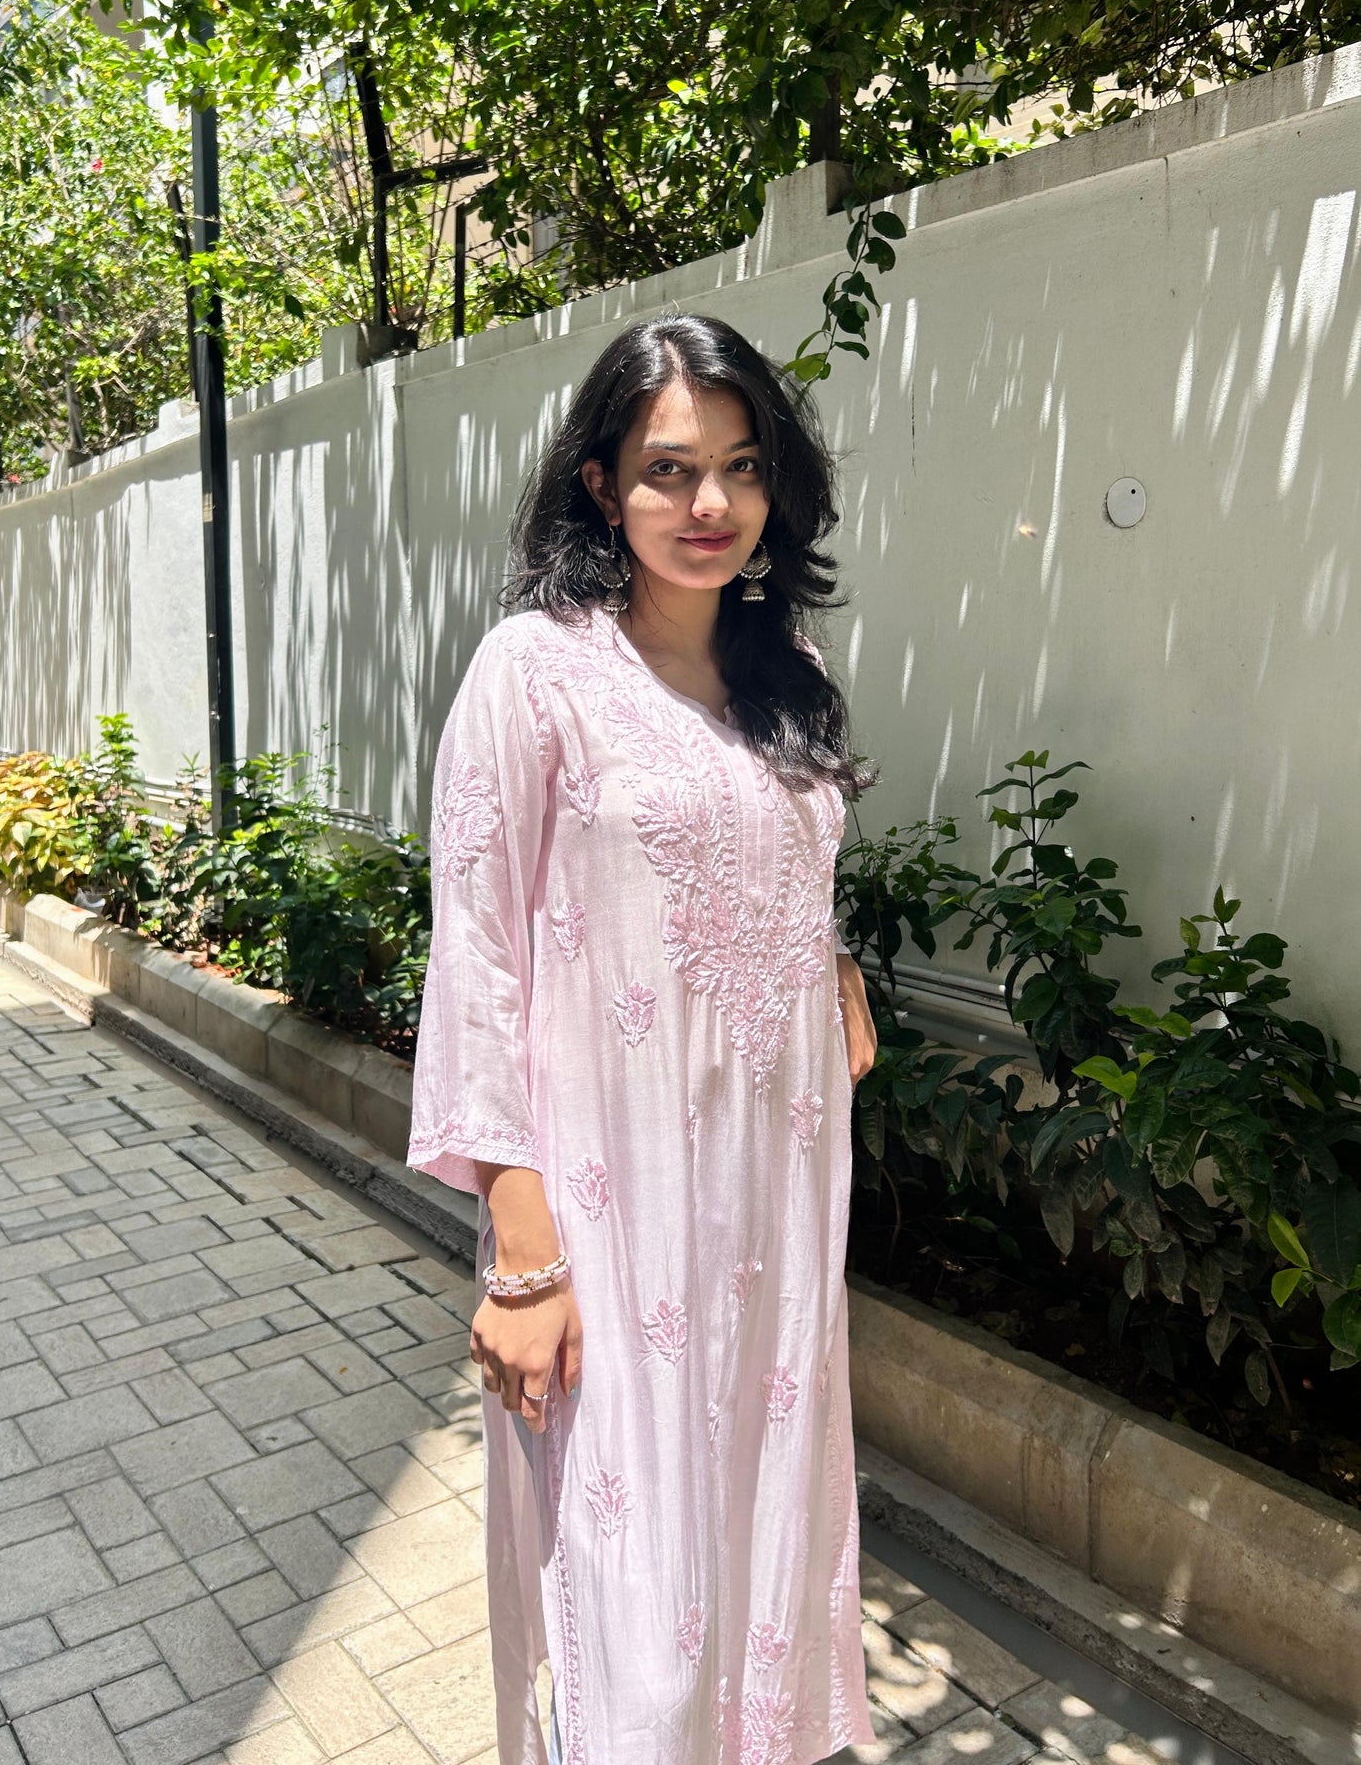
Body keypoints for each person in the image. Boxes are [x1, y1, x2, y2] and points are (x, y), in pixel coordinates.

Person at [407, 311, 880, 1765]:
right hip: (614, 1217)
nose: (710, 505)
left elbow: (768, 863)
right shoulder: (534, 672)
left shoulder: (781, 664)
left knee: (759, 1535)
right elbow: (477, 961)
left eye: (740, 468)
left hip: (777, 1196)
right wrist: (525, 1257)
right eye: (668, 469)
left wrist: (830, 963)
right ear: (602, 482)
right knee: (629, 1582)